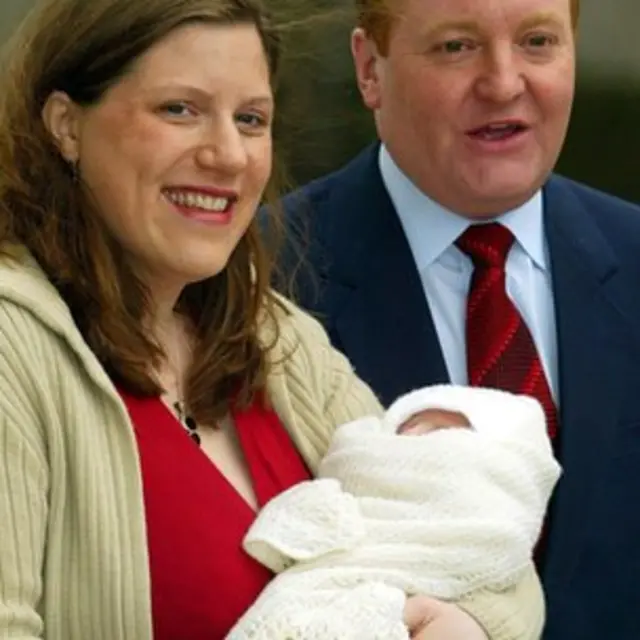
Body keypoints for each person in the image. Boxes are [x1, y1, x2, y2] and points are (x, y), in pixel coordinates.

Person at [0, 0, 542, 638]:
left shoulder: (276, 337)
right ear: (65, 124)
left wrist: (465, 625)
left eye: (251, 119)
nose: (228, 155)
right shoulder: (15, 347)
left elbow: (488, 541)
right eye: (180, 109)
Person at [276, 0, 640, 638]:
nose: (503, 83)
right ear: (369, 69)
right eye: (456, 47)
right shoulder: (258, 279)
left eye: (537, 41)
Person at [228, 386, 561, 639]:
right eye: (408, 426)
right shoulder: (364, 461)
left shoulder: (485, 498)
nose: (414, 436)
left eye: (438, 431)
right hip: (322, 585)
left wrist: (470, 623)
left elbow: (504, 547)